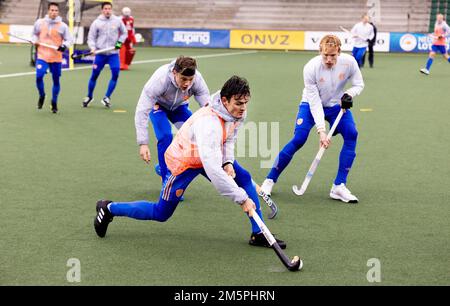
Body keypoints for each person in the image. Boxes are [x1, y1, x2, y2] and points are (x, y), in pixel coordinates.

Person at [93, 76, 286, 249]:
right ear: (225, 100)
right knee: (161, 213)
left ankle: (259, 233)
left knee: (243, 177)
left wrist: (227, 161)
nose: (243, 108)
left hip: (208, 154)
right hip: (183, 161)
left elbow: (229, 138)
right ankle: (109, 208)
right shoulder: (209, 124)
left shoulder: (236, 111)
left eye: (245, 102)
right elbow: (214, 172)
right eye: (238, 103)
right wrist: (242, 199)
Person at [260, 35, 364, 203]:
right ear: (320, 52)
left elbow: (359, 84)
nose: (329, 60)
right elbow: (315, 102)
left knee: (352, 134)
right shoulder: (311, 68)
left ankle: (339, 186)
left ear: (339, 52)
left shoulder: (350, 62)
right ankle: (270, 179)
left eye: (333, 56)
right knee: (299, 138)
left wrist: (348, 94)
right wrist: (322, 131)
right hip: (310, 104)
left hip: (337, 105)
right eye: (325, 56)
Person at [135, 56, 210, 183]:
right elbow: (142, 110)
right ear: (174, 72)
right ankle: (167, 181)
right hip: (158, 106)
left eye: (190, 80)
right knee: (165, 136)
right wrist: (143, 143)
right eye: (183, 79)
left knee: (194, 136)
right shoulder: (160, 79)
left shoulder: (197, 79)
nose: (187, 83)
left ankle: (162, 166)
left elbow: (207, 107)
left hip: (179, 107)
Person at [82, 2, 127, 108]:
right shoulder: (96, 23)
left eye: (109, 9)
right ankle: (89, 96)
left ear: (111, 10)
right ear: (102, 10)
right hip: (100, 54)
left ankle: (107, 97)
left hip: (113, 54)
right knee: (94, 75)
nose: (107, 11)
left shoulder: (117, 21)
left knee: (115, 74)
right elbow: (91, 38)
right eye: (105, 9)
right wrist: (92, 48)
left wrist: (119, 43)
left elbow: (124, 33)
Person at [31, 2, 73, 113]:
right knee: (39, 76)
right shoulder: (40, 23)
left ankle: (54, 102)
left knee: (56, 80)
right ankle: (42, 95)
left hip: (56, 57)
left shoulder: (63, 26)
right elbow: (34, 34)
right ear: (48, 11)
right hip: (42, 55)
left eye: (56, 11)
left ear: (58, 12)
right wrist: (34, 40)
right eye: (52, 10)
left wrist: (64, 46)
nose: (54, 12)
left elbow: (69, 40)